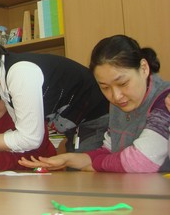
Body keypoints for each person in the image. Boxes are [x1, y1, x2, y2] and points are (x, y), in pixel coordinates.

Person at [0, 33, 109, 157]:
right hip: (81, 127)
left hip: (100, 120)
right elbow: (21, 139)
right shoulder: (4, 82)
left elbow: (30, 139)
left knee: (87, 178)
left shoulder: (19, 73)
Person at [20, 35, 170, 173]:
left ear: (144, 68)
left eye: (123, 83)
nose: (116, 96)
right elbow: (108, 150)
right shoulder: (119, 104)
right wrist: (68, 159)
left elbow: (142, 161)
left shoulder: (165, 100)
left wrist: (95, 165)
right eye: (105, 87)